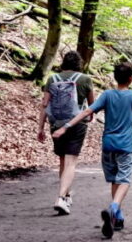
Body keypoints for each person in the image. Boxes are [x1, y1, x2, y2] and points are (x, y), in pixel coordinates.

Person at [54, 61, 132, 239]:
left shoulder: (107, 95)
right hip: (125, 145)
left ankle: (117, 217)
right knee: (125, 179)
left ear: (115, 77)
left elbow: (86, 112)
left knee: (114, 179)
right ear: (131, 78)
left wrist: (65, 126)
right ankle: (113, 207)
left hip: (108, 145)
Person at [37, 50, 96, 216]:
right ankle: (61, 198)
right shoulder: (85, 79)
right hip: (76, 124)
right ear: (79, 64)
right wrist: (89, 116)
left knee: (63, 160)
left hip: (56, 124)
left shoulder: (52, 79)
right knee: (71, 161)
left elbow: (44, 104)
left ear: (63, 63)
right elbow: (92, 105)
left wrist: (40, 127)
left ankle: (67, 195)